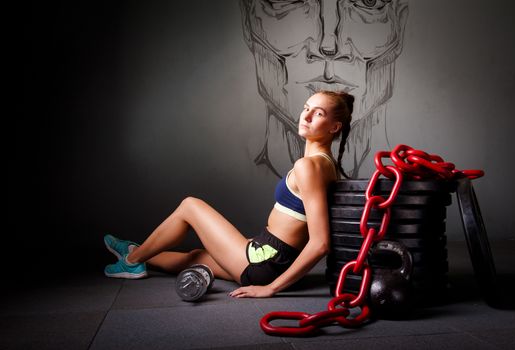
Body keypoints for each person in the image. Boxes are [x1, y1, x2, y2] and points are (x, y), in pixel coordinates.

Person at [104, 90, 354, 298]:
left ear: (335, 126)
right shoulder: (327, 164)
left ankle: (132, 259)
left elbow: (320, 243)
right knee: (196, 257)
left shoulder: (308, 166)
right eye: (306, 107)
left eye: (318, 113)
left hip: (264, 265)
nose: (307, 116)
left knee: (190, 206)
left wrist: (270, 289)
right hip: (267, 254)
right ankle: (137, 253)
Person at [240, 0, 408, 178]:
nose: (329, 46)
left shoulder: (309, 167)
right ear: (247, 19)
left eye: (368, 2)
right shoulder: (321, 164)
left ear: (400, 22)